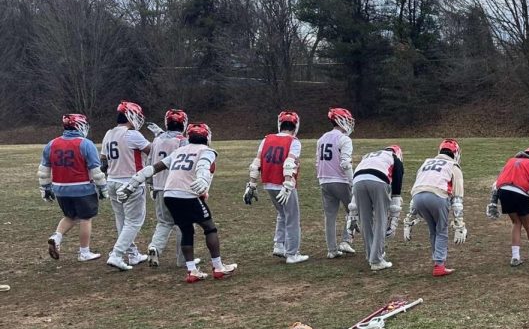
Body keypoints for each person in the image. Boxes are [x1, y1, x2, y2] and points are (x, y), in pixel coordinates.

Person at [115, 123, 237, 283]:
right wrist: (202, 178)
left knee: (186, 230)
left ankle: (192, 270)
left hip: (169, 194)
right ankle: (218, 267)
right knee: (209, 228)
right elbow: (203, 165)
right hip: (187, 194)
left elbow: (153, 168)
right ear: (207, 137)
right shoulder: (207, 151)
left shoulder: (179, 151)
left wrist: (132, 184)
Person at [39, 113, 106, 263]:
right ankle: (84, 252)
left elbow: (44, 169)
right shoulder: (86, 144)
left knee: (71, 216)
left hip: (60, 189)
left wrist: (45, 188)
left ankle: (56, 237)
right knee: (85, 218)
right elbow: (96, 170)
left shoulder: (52, 143)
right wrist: (103, 188)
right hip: (82, 188)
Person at [245, 110, 307, 264]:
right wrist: (287, 183)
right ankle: (292, 253)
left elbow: (256, 164)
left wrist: (252, 184)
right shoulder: (294, 141)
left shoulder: (267, 139)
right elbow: (289, 163)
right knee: (292, 217)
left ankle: (279, 245)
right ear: (295, 126)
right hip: (283, 183)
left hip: (268, 183)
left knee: (282, 213)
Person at [100, 101, 153, 270]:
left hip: (112, 180)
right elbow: (152, 151)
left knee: (122, 220)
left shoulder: (109, 133)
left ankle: (132, 254)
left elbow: (103, 160)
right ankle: (116, 255)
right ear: (130, 116)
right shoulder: (132, 135)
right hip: (130, 181)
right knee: (134, 221)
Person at [403, 139, 467, 277]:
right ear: (455, 153)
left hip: (418, 198)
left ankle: (437, 261)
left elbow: (418, 188)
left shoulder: (425, 164)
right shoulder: (453, 166)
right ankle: (439, 265)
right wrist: (459, 224)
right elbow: (457, 199)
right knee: (441, 230)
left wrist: (409, 219)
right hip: (438, 196)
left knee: (433, 231)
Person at [487, 147, 529, 266]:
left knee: (516, 222)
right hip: (520, 191)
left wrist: (493, 203)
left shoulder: (510, 161)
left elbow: (497, 182)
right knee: (528, 224)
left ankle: (515, 256)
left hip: (503, 191)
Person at [349, 145, 405, 271]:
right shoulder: (394, 158)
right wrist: (395, 212)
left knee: (365, 220)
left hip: (357, 180)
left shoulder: (368, 155)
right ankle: (376, 259)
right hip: (378, 180)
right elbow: (397, 188)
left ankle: (370, 254)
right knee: (381, 219)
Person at [146, 109, 189, 268]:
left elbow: (149, 163)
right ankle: (183, 259)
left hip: (159, 186)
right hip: (177, 187)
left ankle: (155, 247)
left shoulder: (157, 140)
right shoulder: (182, 141)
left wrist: (151, 184)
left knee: (164, 222)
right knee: (183, 223)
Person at [316, 107, 357, 259]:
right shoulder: (344, 139)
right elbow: (345, 163)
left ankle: (331, 249)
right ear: (342, 120)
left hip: (324, 180)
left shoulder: (322, 138)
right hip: (340, 180)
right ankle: (346, 241)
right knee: (353, 212)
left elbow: (317, 161)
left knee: (330, 216)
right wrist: (353, 182)